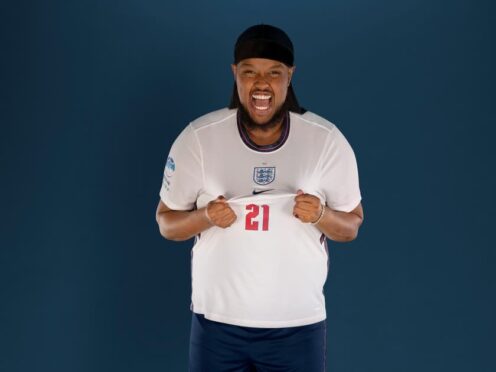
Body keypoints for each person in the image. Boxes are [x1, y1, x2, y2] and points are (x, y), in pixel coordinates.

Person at [156, 24, 364, 372]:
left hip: (298, 326)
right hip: (216, 324)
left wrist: (320, 215)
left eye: (274, 73)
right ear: (235, 74)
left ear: (290, 76)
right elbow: (166, 222)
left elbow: (351, 226)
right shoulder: (199, 138)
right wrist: (204, 217)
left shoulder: (326, 140)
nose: (261, 84)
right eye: (250, 71)